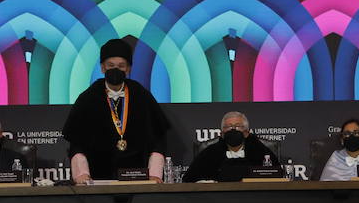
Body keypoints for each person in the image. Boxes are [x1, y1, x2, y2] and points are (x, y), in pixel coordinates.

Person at [62, 38, 169, 182]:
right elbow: (77, 143)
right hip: (97, 179)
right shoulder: (88, 98)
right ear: (102, 67)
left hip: (138, 178)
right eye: (110, 65)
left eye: (121, 65)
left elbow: (157, 139)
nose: (115, 69)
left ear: (128, 68)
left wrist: (154, 175)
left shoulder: (141, 95)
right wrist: (82, 175)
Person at [185, 111, 281, 182]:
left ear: (246, 133)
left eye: (238, 126)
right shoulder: (209, 154)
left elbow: (278, 176)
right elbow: (189, 179)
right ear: (222, 133)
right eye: (228, 127)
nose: (233, 130)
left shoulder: (261, 152)